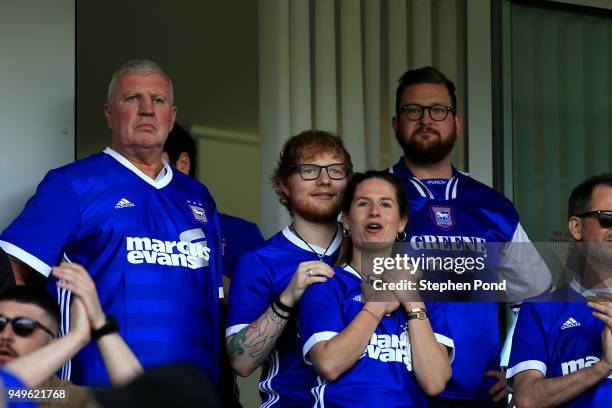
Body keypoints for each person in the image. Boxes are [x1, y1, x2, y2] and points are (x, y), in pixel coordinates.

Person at [0, 60, 223, 386]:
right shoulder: (71, 185)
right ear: (108, 112)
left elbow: (210, 305)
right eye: (132, 98)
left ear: (171, 117)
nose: (147, 109)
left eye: (157, 100)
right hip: (96, 393)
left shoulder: (199, 197)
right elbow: (13, 282)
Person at [389, 66, 551, 406]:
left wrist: (512, 365)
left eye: (438, 110)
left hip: (478, 395)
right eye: (412, 110)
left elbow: (535, 294)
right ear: (396, 123)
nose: (425, 120)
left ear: (456, 123)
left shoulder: (493, 207)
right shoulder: (372, 201)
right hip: (395, 390)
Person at [299, 171, 453, 407]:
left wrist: (410, 298)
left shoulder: (425, 293)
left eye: (386, 204)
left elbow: (435, 382)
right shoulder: (326, 284)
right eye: (363, 203)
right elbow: (329, 364)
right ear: (347, 220)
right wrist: (379, 303)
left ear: (402, 223)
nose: (374, 211)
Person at [226, 130, 352, 406]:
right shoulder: (259, 260)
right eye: (309, 170)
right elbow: (241, 361)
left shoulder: (365, 253)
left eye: (335, 170)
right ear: (284, 183)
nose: (324, 180)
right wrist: (286, 300)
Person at [163, 122, 264, 407]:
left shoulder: (239, 233)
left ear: (181, 164)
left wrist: (203, 270)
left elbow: (265, 317)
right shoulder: (117, 228)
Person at [507, 174, 612, 407]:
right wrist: (602, 367)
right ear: (576, 227)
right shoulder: (540, 308)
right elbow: (526, 399)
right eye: (608, 218)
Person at [1, 262, 142, 407]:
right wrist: (76, 337)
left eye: (23, 326)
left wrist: (101, 326)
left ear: (53, 344)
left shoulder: (60, 395)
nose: (5, 336)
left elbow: (143, 400)